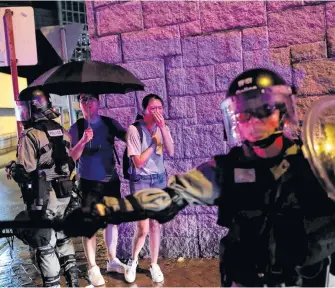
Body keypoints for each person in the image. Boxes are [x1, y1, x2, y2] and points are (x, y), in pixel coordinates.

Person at [64, 68, 335, 287]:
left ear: (281, 110)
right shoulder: (227, 168)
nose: (253, 119)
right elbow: (173, 194)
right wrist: (107, 209)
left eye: (262, 108)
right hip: (249, 277)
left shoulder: (312, 163)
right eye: (243, 111)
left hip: (307, 276)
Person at [8, 88, 79, 287]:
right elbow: (69, 163)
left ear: (34, 108)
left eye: (24, 108)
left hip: (44, 195)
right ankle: (74, 280)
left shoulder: (30, 135)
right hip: (65, 193)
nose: (22, 113)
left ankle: (53, 284)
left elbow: (26, 171)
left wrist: (13, 170)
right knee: (63, 237)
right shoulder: (62, 130)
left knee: (46, 245)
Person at [68, 93, 126, 286]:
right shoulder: (76, 128)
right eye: (83, 99)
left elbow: (130, 137)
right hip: (88, 183)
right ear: (80, 104)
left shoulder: (110, 124)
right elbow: (72, 157)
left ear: (98, 102)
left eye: (91, 99)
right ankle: (93, 267)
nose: (87, 103)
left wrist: (144, 126)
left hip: (111, 181)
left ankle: (112, 260)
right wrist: (83, 141)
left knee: (112, 222)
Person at [124, 94, 174, 283]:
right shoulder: (134, 130)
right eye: (153, 108)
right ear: (144, 110)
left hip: (159, 179)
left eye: (160, 108)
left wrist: (162, 130)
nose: (158, 112)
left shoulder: (163, 128)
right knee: (143, 227)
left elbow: (170, 151)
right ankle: (133, 260)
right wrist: (154, 143)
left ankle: (153, 263)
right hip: (141, 181)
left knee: (155, 225)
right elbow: (137, 162)